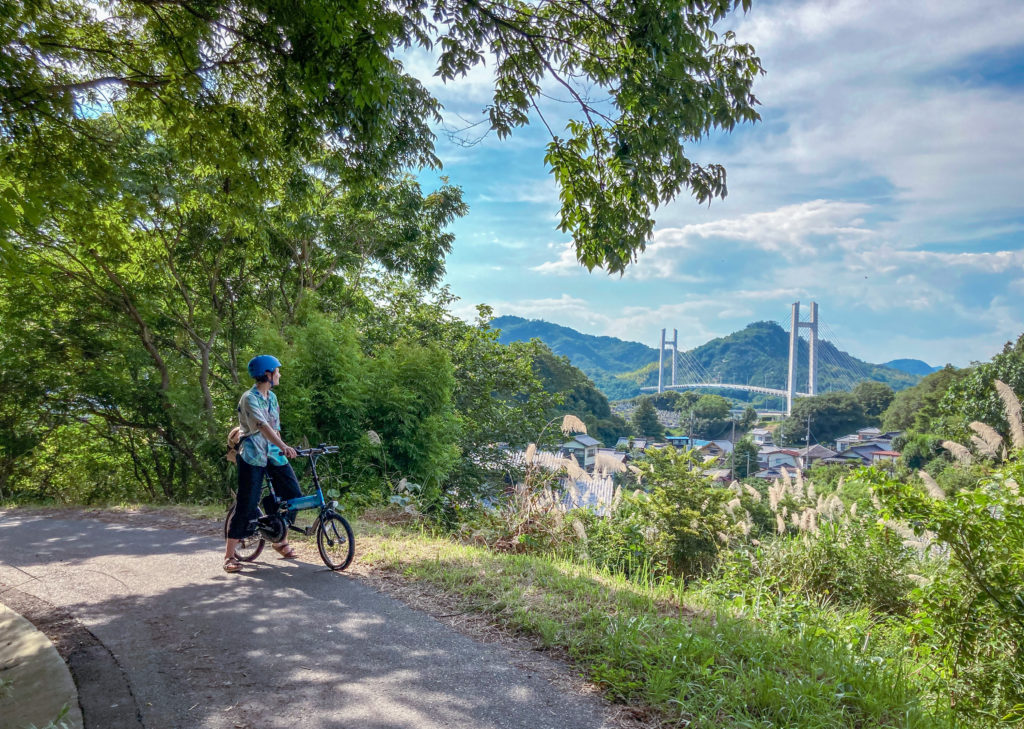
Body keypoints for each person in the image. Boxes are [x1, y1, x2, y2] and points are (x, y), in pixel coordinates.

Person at [223, 355, 302, 573]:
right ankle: (229, 555)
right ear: (267, 374)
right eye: (277, 371)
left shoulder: (272, 398)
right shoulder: (249, 398)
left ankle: (277, 536)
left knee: (293, 495)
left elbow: (275, 428)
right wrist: (284, 445)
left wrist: (282, 448)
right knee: (247, 503)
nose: (279, 375)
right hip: (253, 454)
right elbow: (263, 426)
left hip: (274, 453)